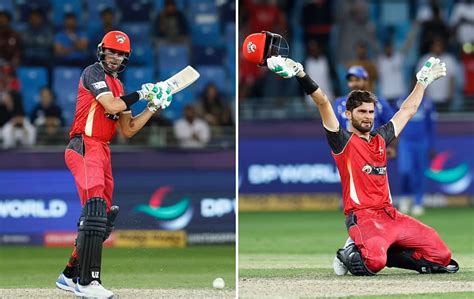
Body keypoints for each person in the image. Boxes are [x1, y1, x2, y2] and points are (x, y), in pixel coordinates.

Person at [265, 54, 459, 276]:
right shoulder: (342, 141)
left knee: (441, 256)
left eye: (370, 112)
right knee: (373, 263)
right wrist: (301, 74)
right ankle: (350, 251)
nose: (368, 117)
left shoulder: (380, 137)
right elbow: (323, 102)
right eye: (362, 112)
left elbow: (407, 110)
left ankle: (388, 252)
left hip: (391, 215)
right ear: (348, 114)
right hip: (363, 217)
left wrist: (421, 82)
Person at [54, 30, 173, 298]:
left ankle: (68, 275)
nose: (115, 57)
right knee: (94, 208)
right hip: (84, 144)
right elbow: (110, 103)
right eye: (111, 51)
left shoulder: (120, 87)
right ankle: (88, 283)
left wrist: (154, 107)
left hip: (103, 150)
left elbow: (129, 129)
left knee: (102, 218)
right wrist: (142, 93)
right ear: (102, 51)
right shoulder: (93, 73)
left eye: (120, 54)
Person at [396, 93, 436, 217]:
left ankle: (418, 202)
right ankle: (405, 197)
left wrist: (431, 145)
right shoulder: (401, 101)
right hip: (405, 142)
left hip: (421, 142)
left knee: (419, 172)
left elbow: (431, 126)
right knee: (405, 171)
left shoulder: (427, 103)